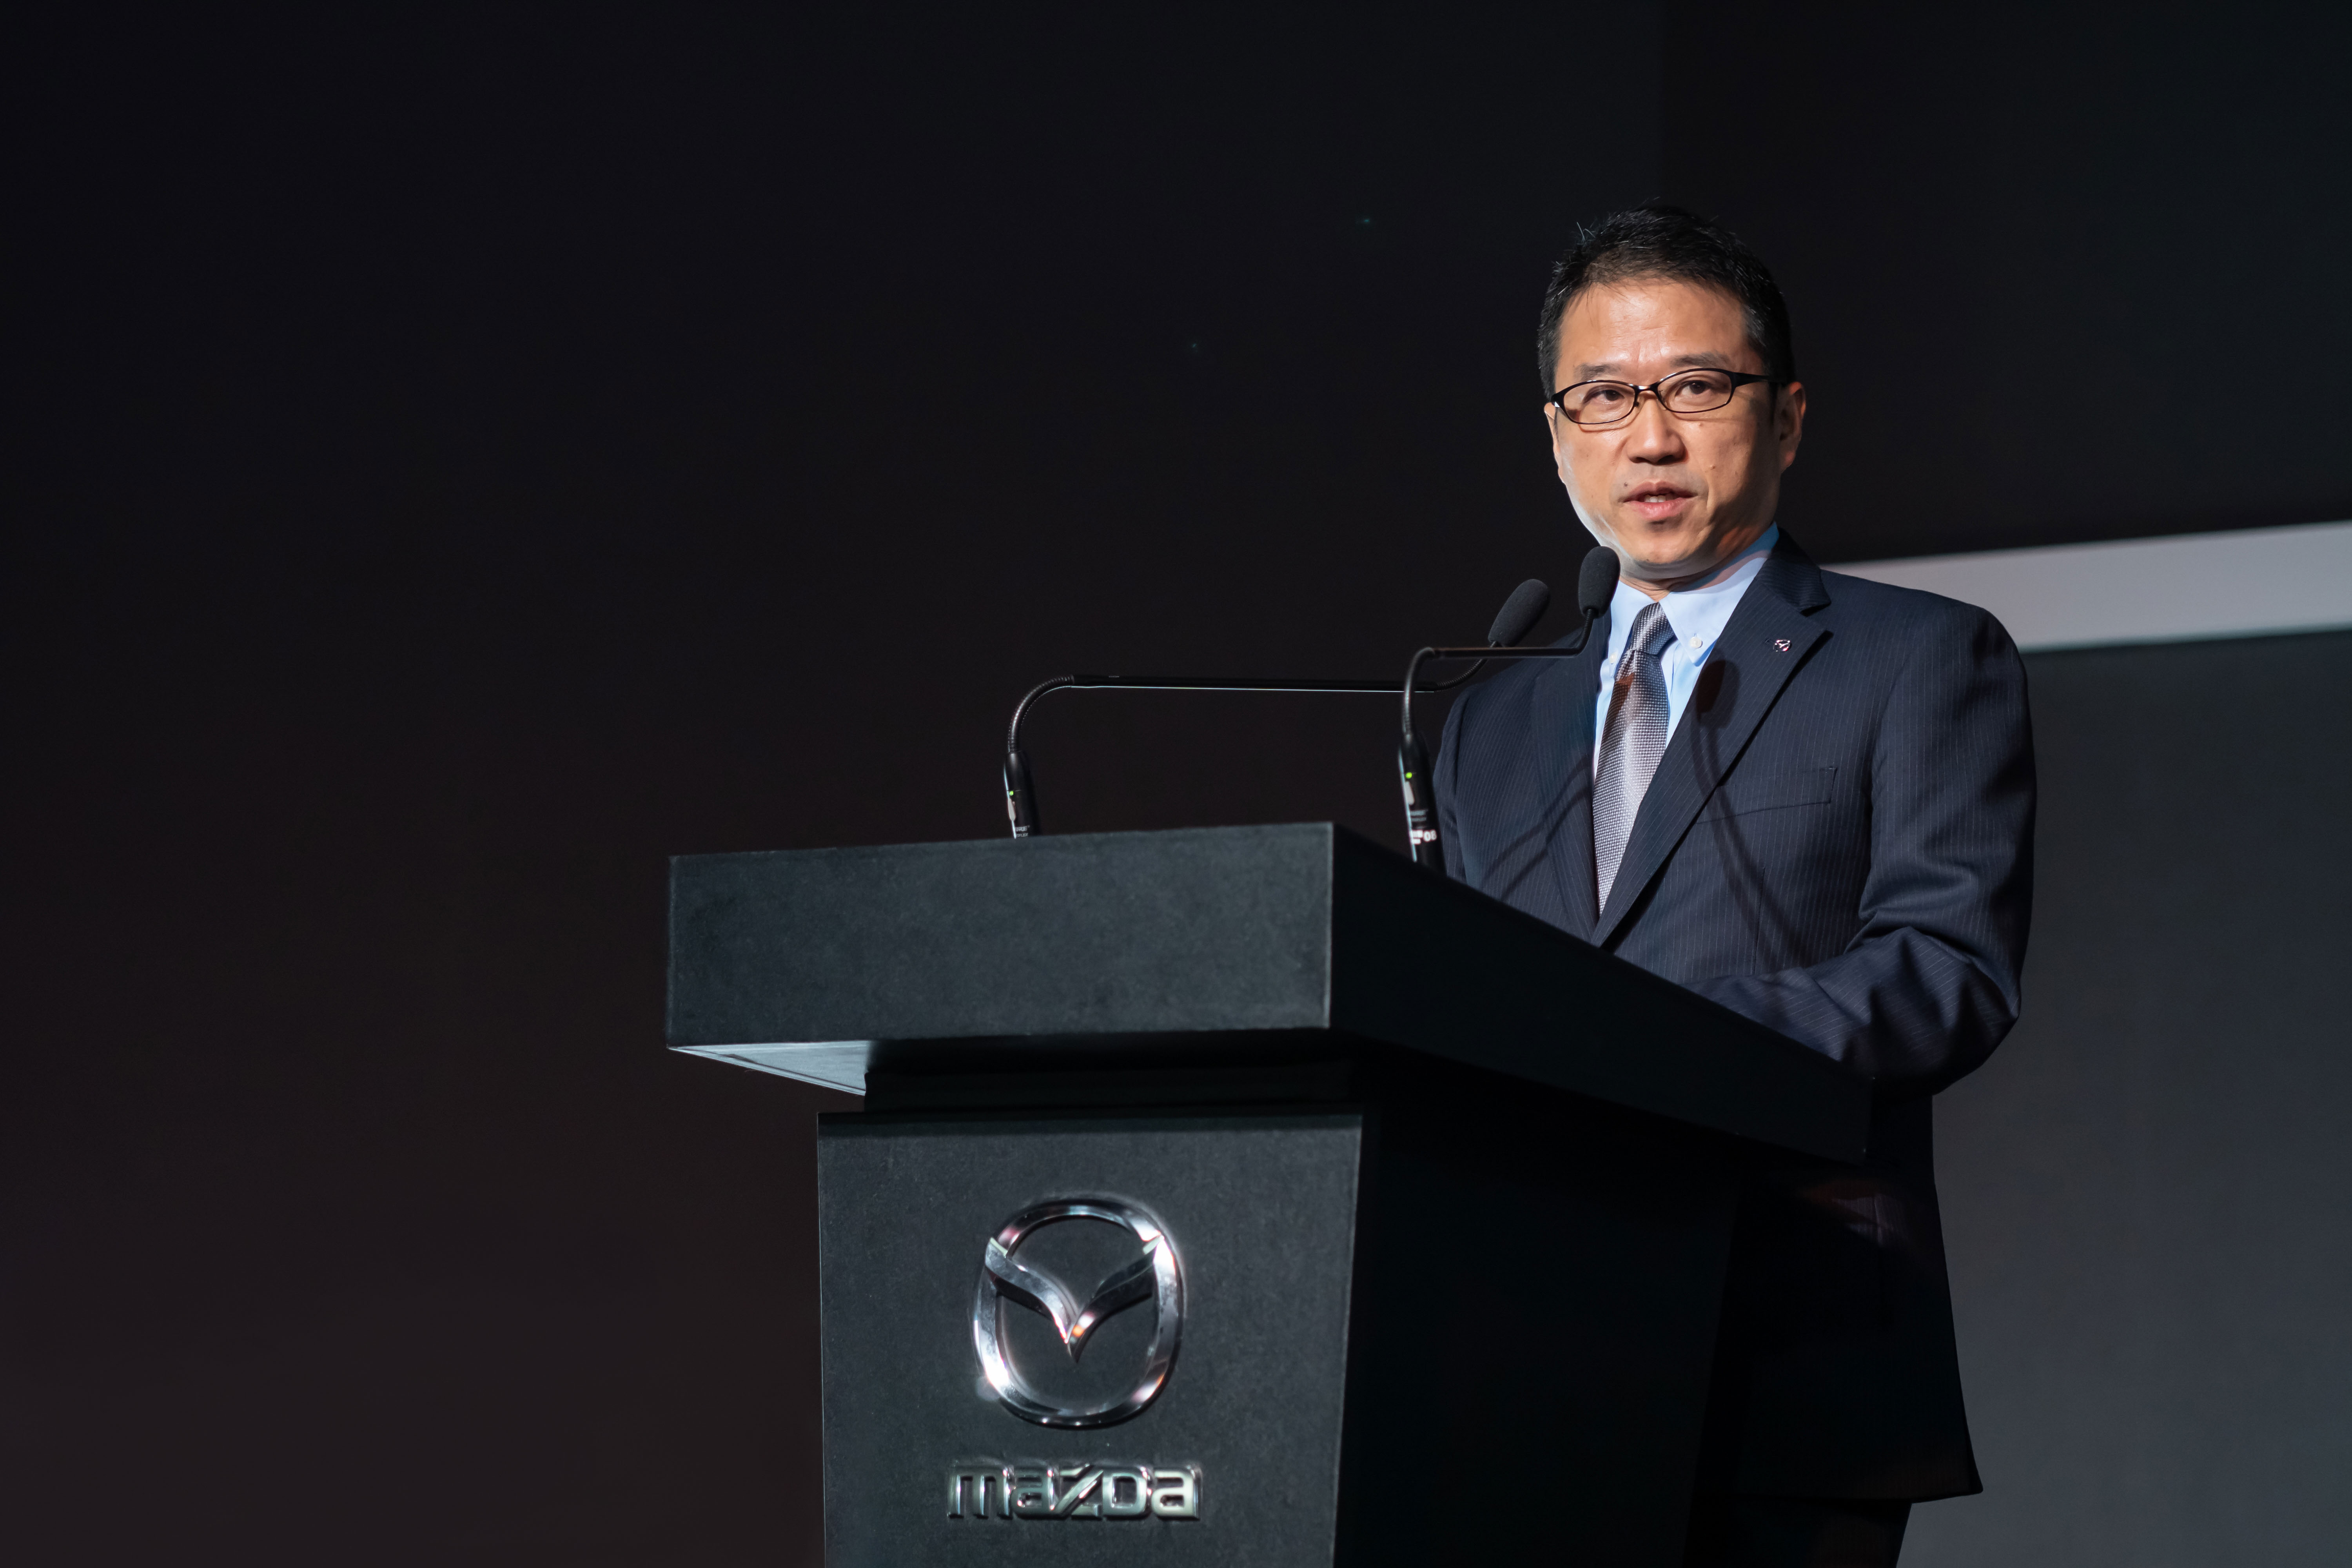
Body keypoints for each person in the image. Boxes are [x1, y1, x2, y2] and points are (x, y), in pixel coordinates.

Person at [1434, 206, 2035, 1568]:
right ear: (1557, 436)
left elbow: (1949, 970)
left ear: (1788, 417)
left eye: (1697, 388)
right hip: (1516, 1370)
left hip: (1786, 1355)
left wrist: (1654, 1042)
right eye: (1603, 397)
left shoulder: (1918, 659)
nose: (1649, 438)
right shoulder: (1489, 718)